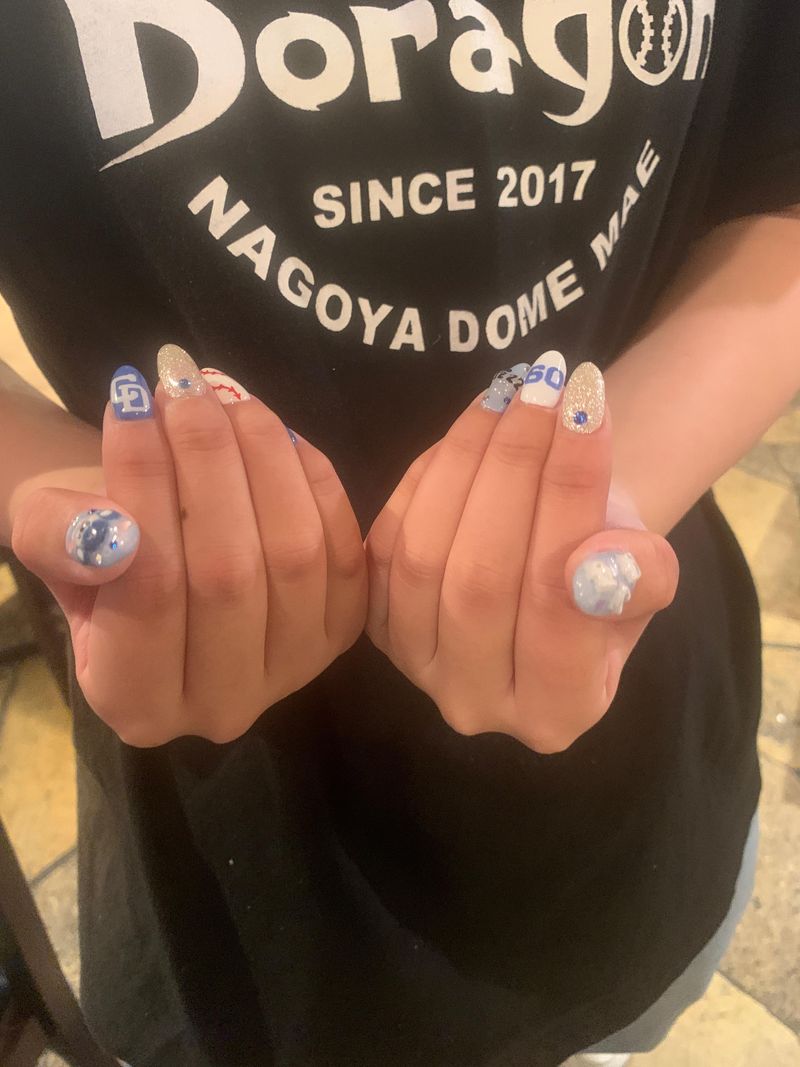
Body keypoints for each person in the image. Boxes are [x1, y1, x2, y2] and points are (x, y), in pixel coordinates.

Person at [0, 2, 798, 1065]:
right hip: (238, 874)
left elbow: (775, 168)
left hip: (641, 777)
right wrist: (89, 501)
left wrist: (598, 503)